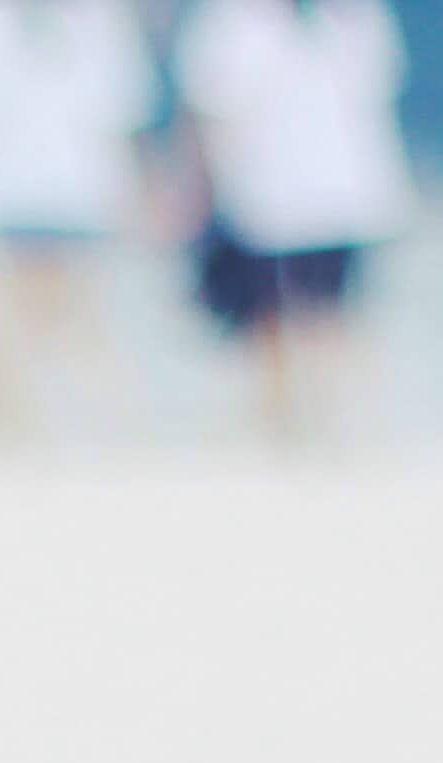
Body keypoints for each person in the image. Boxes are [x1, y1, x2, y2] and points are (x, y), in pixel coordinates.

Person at [0, 0, 157, 439]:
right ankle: (11, 447)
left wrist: (135, 199)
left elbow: (124, 115)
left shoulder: (102, 17)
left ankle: (102, 440)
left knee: (77, 326)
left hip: (78, 196)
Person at [174, 0, 409, 444]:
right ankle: (281, 433)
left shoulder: (354, 17)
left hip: (342, 199)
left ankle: (334, 427)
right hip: (262, 200)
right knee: (267, 324)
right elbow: (208, 109)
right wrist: (201, 189)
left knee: (332, 319)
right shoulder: (235, 19)